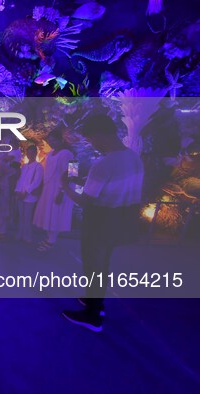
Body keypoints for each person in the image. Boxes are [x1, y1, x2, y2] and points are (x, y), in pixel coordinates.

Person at [61, 114, 144, 332]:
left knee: (92, 266)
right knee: (102, 264)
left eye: (90, 139)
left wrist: (65, 185)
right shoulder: (134, 158)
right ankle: (94, 301)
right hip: (122, 218)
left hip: (99, 220)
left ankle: (93, 315)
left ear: (99, 135)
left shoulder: (103, 164)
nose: (91, 143)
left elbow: (85, 201)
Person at [33, 126, 75, 252]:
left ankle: (51, 240)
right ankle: (48, 238)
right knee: (48, 213)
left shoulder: (67, 153)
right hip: (48, 187)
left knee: (56, 213)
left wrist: (62, 191)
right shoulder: (50, 153)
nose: (52, 143)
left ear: (61, 140)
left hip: (60, 188)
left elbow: (73, 172)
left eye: (54, 140)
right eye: (50, 140)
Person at [14, 145, 43, 243]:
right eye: (28, 152)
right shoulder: (24, 166)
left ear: (35, 153)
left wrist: (26, 191)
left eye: (32, 152)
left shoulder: (38, 167)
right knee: (21, 216)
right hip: (20, 194)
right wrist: (17, 190)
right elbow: (20, 180)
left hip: (29, 196)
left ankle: (27, 236)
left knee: (27, 217)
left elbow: (37, 181)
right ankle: (20, 234)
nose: (30, 154)